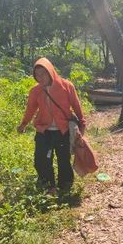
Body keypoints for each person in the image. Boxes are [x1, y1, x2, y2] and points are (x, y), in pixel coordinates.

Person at [17, 58, 86, 195]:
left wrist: (82, 127)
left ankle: (65, 187)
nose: (40, 77)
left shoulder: (66, 86)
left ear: (50, 71)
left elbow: (77, 107)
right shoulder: (35, 91)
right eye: (37, 74)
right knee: (41, 160)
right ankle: (49, 186)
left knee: (63, 160)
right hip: (44, 131)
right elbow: (30, 110)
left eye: (43, 73)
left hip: (63, 131)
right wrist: (23, 124)